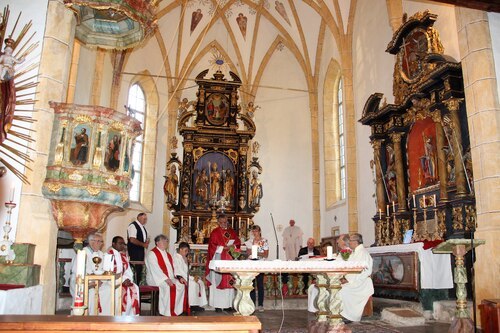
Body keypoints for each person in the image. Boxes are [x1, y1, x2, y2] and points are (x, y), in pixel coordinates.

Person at [205, 213, 241, 312]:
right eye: (221, 222)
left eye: (225, 222)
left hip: (229, 260)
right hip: (219, 260)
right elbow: (212, 246)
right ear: (218, 222)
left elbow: (238, 243)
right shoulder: (215, 232)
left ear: (227, 221)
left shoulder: (232, 232)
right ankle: (217, 305)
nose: (223, 224)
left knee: (229, 282)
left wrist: (231, 247)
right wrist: (222, 247)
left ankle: (229, 305)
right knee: (218, 281)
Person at [69, 233, 111, 315]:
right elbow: (77, 271)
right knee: (91, 293)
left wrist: (102, 280)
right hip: (83, 282)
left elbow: (103, 269)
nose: (100, 244)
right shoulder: (82, 253)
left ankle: (102, 316)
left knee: (108, 289)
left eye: (101, 241)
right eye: (98, 241)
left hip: (98, 282)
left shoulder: (101, 254)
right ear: (91, 242)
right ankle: (89, 316)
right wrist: (91, 282)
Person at [145, 234, 187, 316]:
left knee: (181, 285)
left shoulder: (168, 255)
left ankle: (177, 310)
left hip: (169, 277)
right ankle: (166, 312)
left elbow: (174, 268)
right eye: (163, 240)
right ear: (157, 242)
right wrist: (165, 279)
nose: (165, 242)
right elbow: (155, 269)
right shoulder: (152, 254)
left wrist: (180, 277)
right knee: (167, 287)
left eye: (166, 241)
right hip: (156, 279)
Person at [339, 233, 374, 322]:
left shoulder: (362, 253)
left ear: (355, 242)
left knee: (342, 290)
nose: (349, 243)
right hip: (355, 280)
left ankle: (349, 316)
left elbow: (362, 271)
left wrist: (347, 279)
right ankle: (341, 313)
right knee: (338, 288)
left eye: (350, 241)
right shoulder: (356, 252)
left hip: (361, 282)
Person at [108, 236, 140, 316]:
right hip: (113, 282)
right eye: (120, 243)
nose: (122, 245)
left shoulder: (123, 256)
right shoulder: (108, 255)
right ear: (113, 244)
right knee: (122, 290)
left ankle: (130, 316)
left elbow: (128, 271)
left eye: (123, 244)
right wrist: (122, 281)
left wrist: (127, 279)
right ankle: (119, 315)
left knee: (135, 287)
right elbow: (108, 272)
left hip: (123, 281)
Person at [173, 242, 207, 314]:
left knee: (200, 282)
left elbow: (187, 270)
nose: (187, 252)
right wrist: (192, 278)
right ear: (180, 249)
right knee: (193, 284)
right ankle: (191, 305)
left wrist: (186, 261)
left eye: (187, 251)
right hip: (180, 277)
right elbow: (181, 272)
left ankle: (197, 303)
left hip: (186, 276)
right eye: (185, 250)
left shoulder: (183, 257)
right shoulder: (176, 258)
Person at [245, 225, 269, 312]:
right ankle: (252, 304)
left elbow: (266, 254)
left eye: (256, 231)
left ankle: (260, 304)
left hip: (260, 263)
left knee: (260, 284)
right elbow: (248, 254)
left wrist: (256, 252)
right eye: (253, 231)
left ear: (259, 231)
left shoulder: (264, 241)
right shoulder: (250, 241)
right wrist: (248, 252)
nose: (255, 233)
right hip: (251, 263)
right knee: (252, 285)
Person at [127, 213, 150, 284]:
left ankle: (138, 287)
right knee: (135, 271)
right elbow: (132, 239)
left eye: (146, 219)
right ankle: (135, 287)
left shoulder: (142, 227)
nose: (145, 220)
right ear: (139, 217)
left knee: (139, 271)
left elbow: (146, 237)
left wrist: (146, 241)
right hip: (134, 252)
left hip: (141, 253)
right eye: (144, 219)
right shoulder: (133, 226)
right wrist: (143, 244)